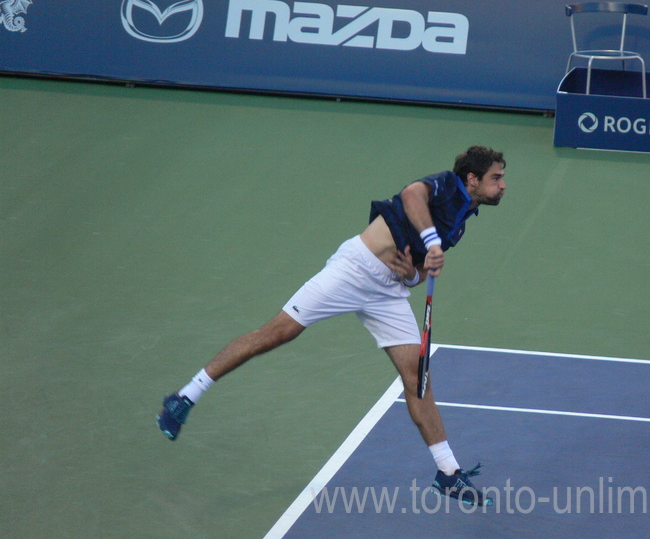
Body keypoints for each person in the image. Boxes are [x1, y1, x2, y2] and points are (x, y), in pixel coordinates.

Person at [157, 145, 506, 507]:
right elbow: (410, 195)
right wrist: (432, 241)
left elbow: (417, 270)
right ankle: (185, 396)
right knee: (278, 333)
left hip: (389, 292)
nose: (503, 185)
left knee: (418, 379)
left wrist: (416, 275)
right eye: (496, 177)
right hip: (354, 269)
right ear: (472, 178)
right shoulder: (446, 185)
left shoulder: (462, 221)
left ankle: (447, 472)